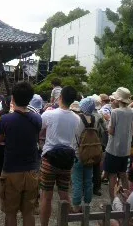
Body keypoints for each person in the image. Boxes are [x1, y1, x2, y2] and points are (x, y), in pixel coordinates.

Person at [0, 82, 42, 226]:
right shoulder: (37, 119)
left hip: (11, 171)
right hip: (32, 170)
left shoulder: (5, 119)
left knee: (11, 213)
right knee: (28, 212)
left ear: (13, 98)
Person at [40, 86, 80, 226]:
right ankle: (65, 223)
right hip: (67, 160)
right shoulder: (76, 118)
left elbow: (39, 131)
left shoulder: (49, 114)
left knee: (46, 196)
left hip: (49, 159)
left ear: (60, 97)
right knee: (64, 193)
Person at [104, 87, 133, 203]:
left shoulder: (115, 112)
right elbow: (132, 129)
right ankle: (127, 199)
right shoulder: (131, 112)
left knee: (112, 175)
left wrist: (107, 125)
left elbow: (111, 131)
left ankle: (113, 201)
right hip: (125, 149)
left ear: (118, 99)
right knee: (123, 174)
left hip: (113, 149)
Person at [71, 97, 98, 212]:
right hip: (90, 154)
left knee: (77, 181)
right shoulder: (95, 119)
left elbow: (75, 136)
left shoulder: (77, 119)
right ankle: (87, 205)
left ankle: (76, 206)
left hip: (78, 154)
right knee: (88, 181)